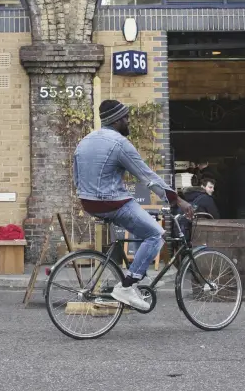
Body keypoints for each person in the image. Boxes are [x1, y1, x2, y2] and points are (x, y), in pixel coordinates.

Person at [74, 99, 192, 311]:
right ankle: (128, 286)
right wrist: (176, 199)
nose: (128, 121)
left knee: (143, 231)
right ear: (118, 120)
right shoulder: (120, 144)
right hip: (112, 202)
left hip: (87, 201)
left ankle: (128, 279)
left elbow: (76, 176)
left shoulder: (85, 141)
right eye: (126, 118)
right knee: (155, 234)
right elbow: (146, 176)